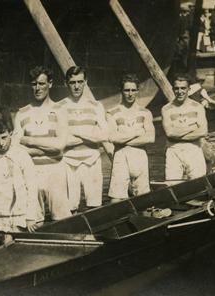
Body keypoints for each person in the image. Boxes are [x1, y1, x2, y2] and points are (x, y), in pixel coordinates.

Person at [12, 66, 72, 221]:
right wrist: (46, 148)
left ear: (50, 84)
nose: (37, 88)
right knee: (33, 221)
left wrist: (28, 140)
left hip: (56, 171)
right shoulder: (21, 113)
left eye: (41, 83)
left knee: (62, 220)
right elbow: (15, 148)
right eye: (34, 84)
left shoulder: (60, 110)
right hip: (31, 172)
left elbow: (60, 145)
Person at [0, 116, 42, 243]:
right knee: (8, 245)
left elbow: (32, 187)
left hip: (23, 212)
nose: (1, 143)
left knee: (26, 245)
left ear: (10, 134)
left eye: (4, 137)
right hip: (0, 214)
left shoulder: (22, 155)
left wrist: (30, 216)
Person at [58, 66, 108, 212]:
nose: (77, 86)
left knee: (94, 206)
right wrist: (91, 136)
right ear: (66, 83)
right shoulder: (59, 107)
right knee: (70, 208)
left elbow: (105, 135)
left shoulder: (96, 105)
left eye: (80, 81)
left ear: (85, 82)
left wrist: (78, 134)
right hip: (68, 161)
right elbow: (59, 139)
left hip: (92, 161)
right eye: (72, 82)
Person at [107, 74, 155, 201]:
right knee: (116, 198)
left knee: (143, 198)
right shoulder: (111, 112)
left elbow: (150, 138)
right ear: (121, 91)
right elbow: (112, 138)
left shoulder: (145, 112)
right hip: (121, 157)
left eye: (133, 90)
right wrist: (137, 133)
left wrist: (124, 140)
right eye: (127, 90)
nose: (130, 94)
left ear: (137, 91)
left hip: (140, 156)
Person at [162, 75, 208, 184]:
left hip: (194, 148)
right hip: (173, 149)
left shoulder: (197, 107)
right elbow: (169, 133)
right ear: (173, 89)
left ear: (189, 89)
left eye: (183, 88)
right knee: (172, 185)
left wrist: (178, 131)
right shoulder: (166, 109)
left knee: (199, 184)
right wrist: (192, 127)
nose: (180, 91)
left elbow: (203, 131)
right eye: (176, 88)